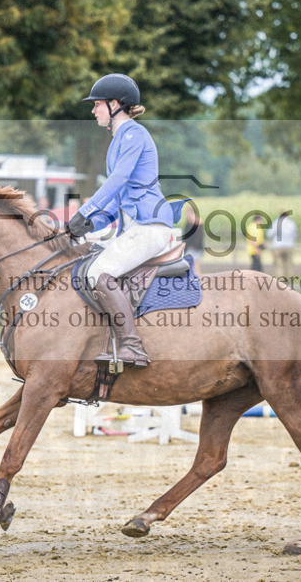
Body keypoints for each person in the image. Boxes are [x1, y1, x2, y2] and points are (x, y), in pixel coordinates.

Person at [66, 73, 175, 369]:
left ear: (115, 104)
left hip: (150, 226)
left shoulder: (133, 134)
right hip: (135, 227)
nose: (93, 110)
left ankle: (132, 346)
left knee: (98, 272)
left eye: (97, 104)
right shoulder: (118, 140)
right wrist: (91, 224)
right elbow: (118, 200)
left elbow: (118, 179)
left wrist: (85, 210)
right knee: (89, 261)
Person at [270, 210, 297, 278]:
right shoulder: (291, 223)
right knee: (289, 265)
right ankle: (289, 279)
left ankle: (281, 280)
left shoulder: (276, 222)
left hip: (277, 246)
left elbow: (269, 234)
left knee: (279, 265)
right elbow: (295, 235)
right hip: (289, 246)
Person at [182, 205, 205, 275]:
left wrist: (193, 246)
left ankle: (198, 279)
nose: (187, 214)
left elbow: (198, 237)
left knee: (195, 266)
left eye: (188, 212)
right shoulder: (188, 222)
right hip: (188, 248)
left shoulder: (198, 222)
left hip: (195, 248)